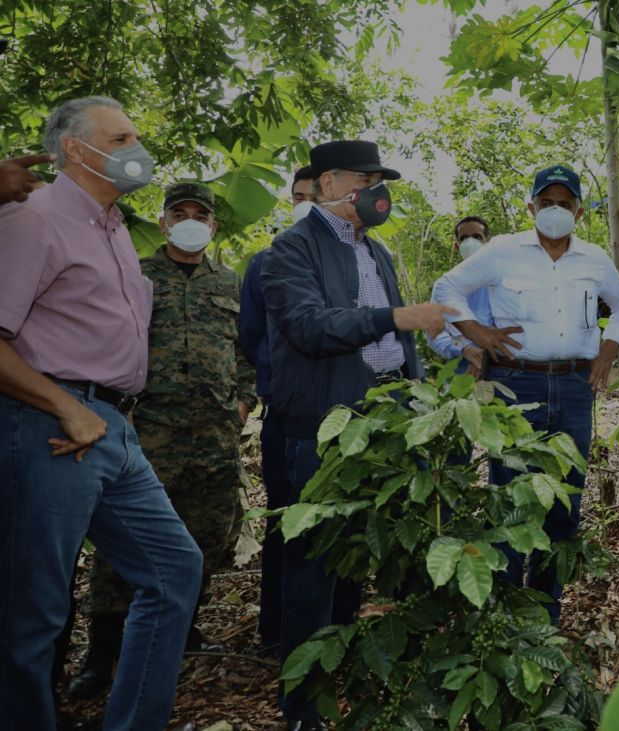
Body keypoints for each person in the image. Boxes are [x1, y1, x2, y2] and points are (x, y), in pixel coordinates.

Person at [0, 96, 202, 731]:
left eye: (136, 137)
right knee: (31, 614)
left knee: (175, 573)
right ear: (72, 150)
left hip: (111, 425)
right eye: (120, 139)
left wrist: (107, 413)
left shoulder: (113, 227)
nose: (136, 150)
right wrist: (68, 407)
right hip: (50, 423)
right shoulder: (31, 219)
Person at [262, 140, 455, 730]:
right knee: (312, 561)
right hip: (323, 422)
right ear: (328, 185)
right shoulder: (291, 249)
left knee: (359, 552)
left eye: (379, 180)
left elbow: (399, 344)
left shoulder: (376, 251)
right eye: (364, 180)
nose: (376, 191)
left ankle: (345, 670)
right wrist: (396, 318)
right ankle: (301, 702)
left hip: (385, 418)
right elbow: (309, 327)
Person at [66, 182, 256, 700]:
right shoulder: (137, 275)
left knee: (206, 536)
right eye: (180, 212)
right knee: (121, 544)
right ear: (166, 221)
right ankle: (102, 653)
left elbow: (247, 351)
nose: (191, 219)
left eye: (201, 213)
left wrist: (243, 401)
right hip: (147, 430)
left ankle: (183, 630)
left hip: (215, 435)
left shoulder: (231, 283)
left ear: (213, 225)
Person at [433, 164, 619, 623]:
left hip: (574, 384)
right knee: (510, 494)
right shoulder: (503, 251)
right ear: (531, 207)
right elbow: (446, 288)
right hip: (517, 384)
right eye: (547, 203)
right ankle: (506, 609)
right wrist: (476, 333)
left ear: (579, 212)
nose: (555, 211)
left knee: (565, 497)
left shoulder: (593, 259)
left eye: (565, 204)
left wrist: (608, 350)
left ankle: (545, 611)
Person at [238, 165, 313, 654]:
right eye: (299, 195)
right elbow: (250, 336)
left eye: (316, 195)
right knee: (285, 520)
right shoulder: (263, 265)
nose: (307, 203)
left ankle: (325, 628)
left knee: (330, 523)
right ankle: (276, 631)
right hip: (282, 414)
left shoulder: (357, 263)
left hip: (340, 416)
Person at [427, 215, 492, 377]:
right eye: (464, 238)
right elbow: (434, 332)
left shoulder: (501, 281)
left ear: (487, 242)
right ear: (456, 246)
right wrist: (464, 349)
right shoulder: (443, 286)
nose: (470, 242)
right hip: (462, 364)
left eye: (477, 237)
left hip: (504, 363)